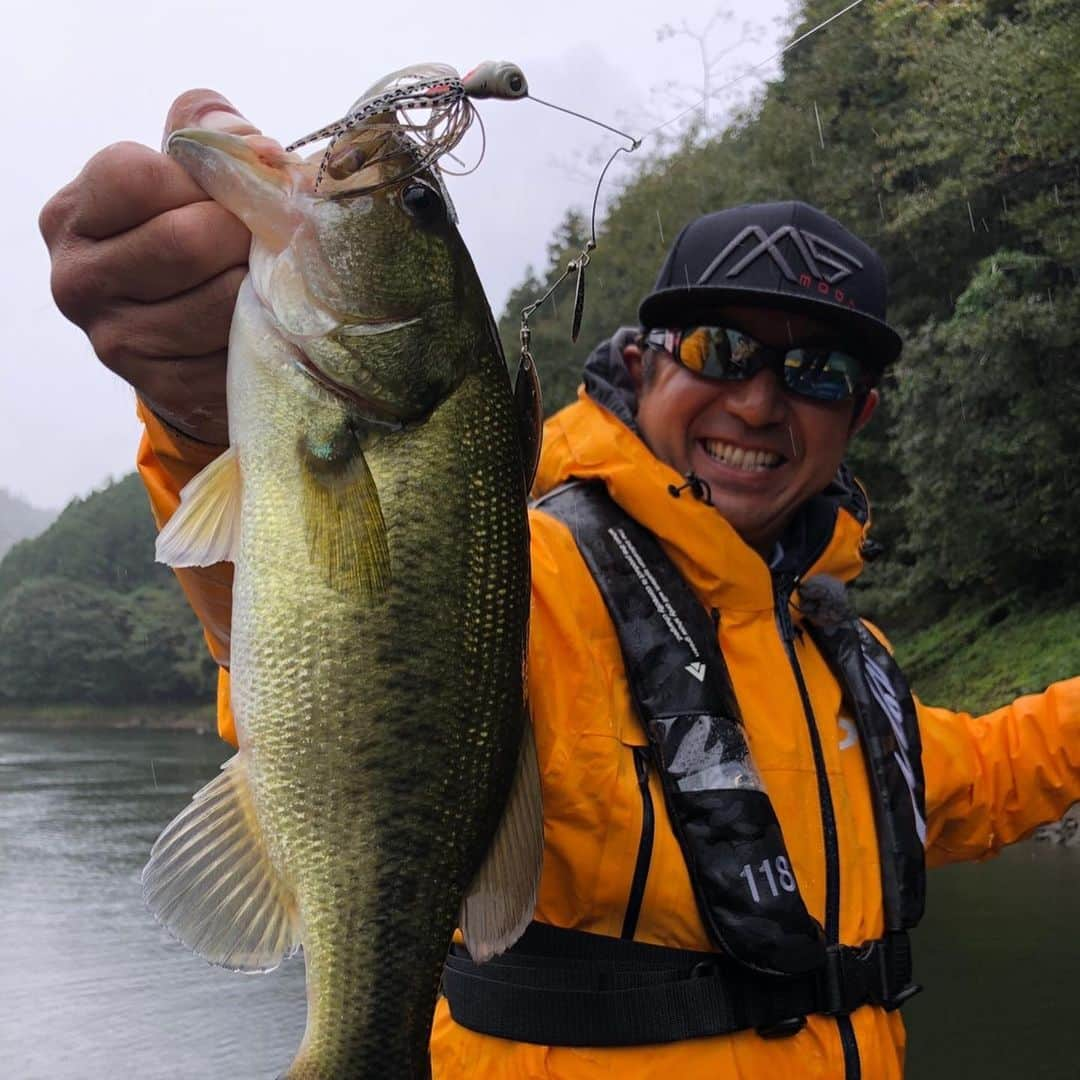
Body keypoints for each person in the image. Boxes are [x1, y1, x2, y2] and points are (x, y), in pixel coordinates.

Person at [40, 90, 1080, 1080]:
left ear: (860, 418)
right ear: (644, 362)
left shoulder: (845, 659)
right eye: (722, 349)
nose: (760, 403)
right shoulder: (529, 568)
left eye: (819, 374)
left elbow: (979, 776)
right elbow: (329, 611)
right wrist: (201, 420)